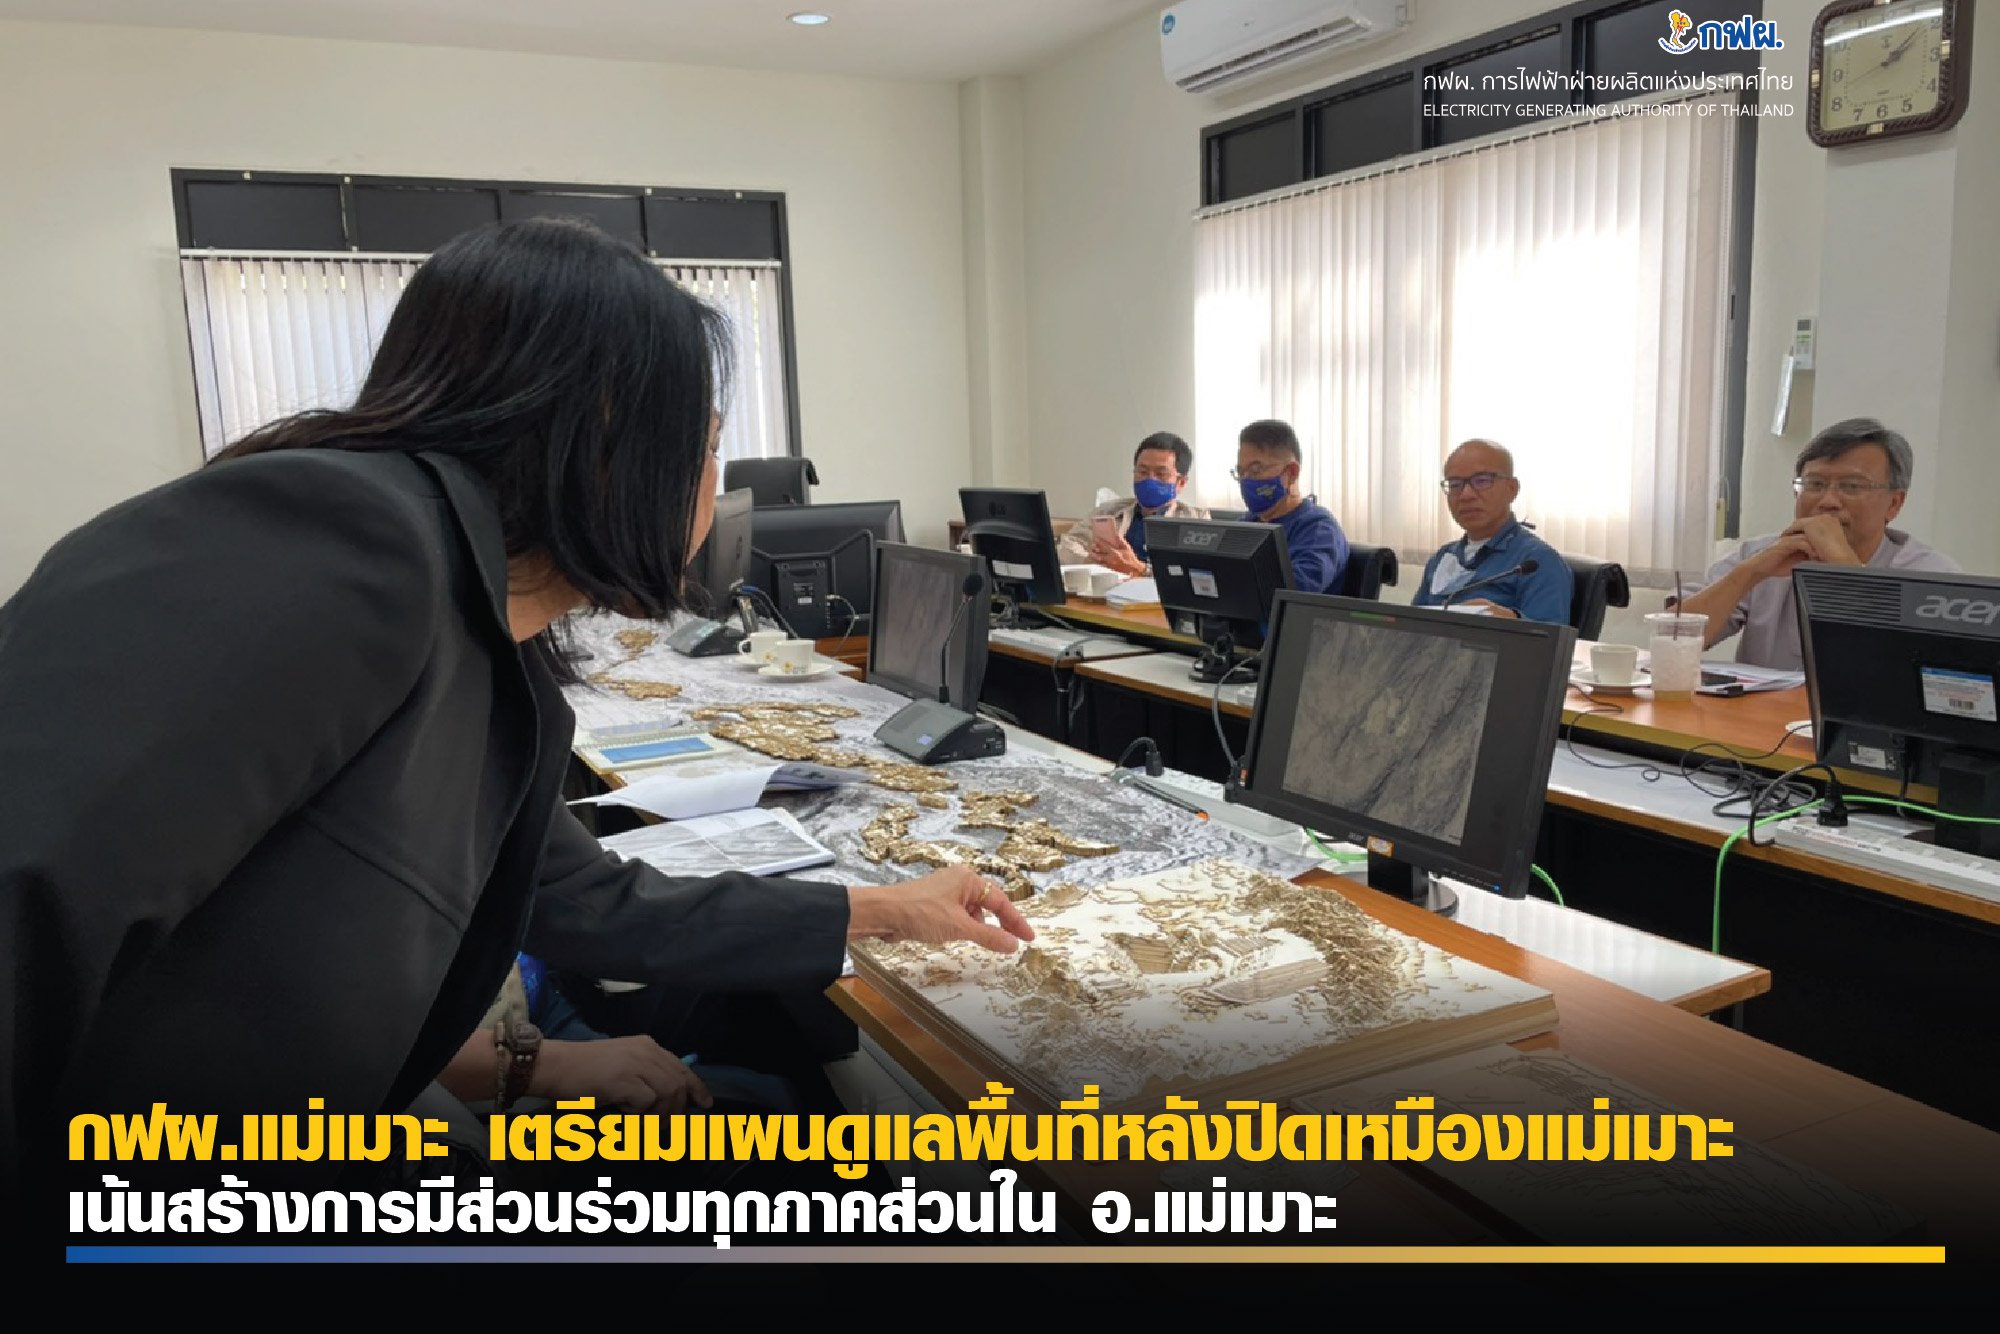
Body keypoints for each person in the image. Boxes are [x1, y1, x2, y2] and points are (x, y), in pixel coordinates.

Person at [0, 218, 1033, 1189]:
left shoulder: (490, 636)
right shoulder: (342, 537)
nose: (710, 483)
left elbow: (582, 899)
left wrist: (877, 908)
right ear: (610, 437)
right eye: (707, 441)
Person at [1674, 418, 1960, 670]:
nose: (1828, 501)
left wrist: (1846, 567)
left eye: (1852, 486)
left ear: (1894, 504)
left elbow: (1920, 672)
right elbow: (1671, 638)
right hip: (1763, 714)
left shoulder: (1931, 575)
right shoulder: (1764, 554)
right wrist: (1750, 573)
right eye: (1815, 485)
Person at [1410, 439, 1573, 624]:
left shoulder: (1536, 561)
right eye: (1455, 484)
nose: (1466, 495)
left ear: (1512, 489)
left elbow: (1549, 637)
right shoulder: (1442, 557)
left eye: (1481, 481)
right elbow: (1411, 626)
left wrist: (1512, 623)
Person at [1056, 431, 1210, 576]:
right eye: (1142, 472)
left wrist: (1140, 569)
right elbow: (1066, 547)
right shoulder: (1108, 511)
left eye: (1161, 473)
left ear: (1181, 482)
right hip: (1109, 591)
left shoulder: (1196, 520)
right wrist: (1095, 562)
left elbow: (1197, 573)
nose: (1150, 480)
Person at [1234, 419, 1348, 594]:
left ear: (1292, 473)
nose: (1246, 480)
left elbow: (1292, 590)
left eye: (1256, 470)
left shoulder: (1318, 529)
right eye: (1241, 472)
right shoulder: (1247, 524)